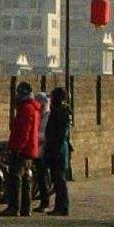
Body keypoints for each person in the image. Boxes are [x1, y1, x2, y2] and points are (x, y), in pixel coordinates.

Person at [3, 81, 43, 216]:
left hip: (22, 149)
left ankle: (14, 207)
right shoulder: (34, 108)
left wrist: (17, 148)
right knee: (26, 178)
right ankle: (26, 208)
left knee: (15, 177)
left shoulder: (26, 109)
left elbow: (23, 131)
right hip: (31, 148)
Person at [39, 85, 72, 215]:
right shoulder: (62, 111)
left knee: (59, 180)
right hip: (57, 148)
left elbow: (60, 134)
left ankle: (62, 207)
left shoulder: (60, 112)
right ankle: (60, 206)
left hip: (57, 150)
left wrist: (54, 150)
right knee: (58, 179)